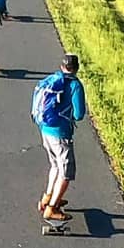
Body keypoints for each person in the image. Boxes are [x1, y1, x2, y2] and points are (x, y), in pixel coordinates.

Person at [31, 53, 87, 224]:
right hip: (61, 134)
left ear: (62, 66)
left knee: (55, 165)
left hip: (45, 130)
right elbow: (79, 114)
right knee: (66, 173)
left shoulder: (52, 79)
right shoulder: (75, 85)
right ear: (77, 68)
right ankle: (52, 208)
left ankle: (48, 197)